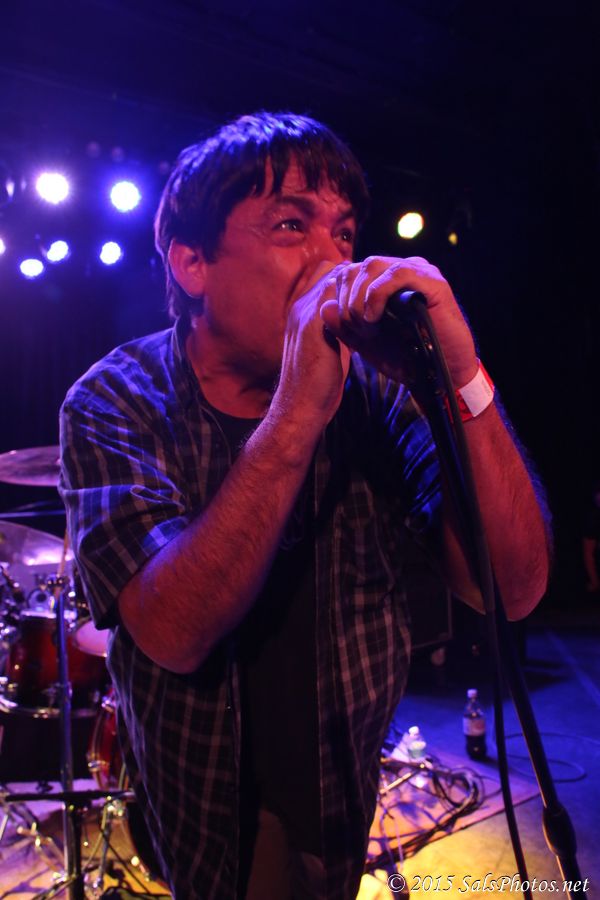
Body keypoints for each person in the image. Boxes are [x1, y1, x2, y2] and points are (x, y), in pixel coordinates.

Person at [59, 112, 550, 900]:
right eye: (292, 225)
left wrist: (459, 376)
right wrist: (294, 416)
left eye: (344, 232)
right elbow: (174, 631)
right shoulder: (116, 400)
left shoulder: (377, 394)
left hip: (340, 801)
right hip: (197, 807)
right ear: (192, 261)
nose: (332, 260)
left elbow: (513, 588)